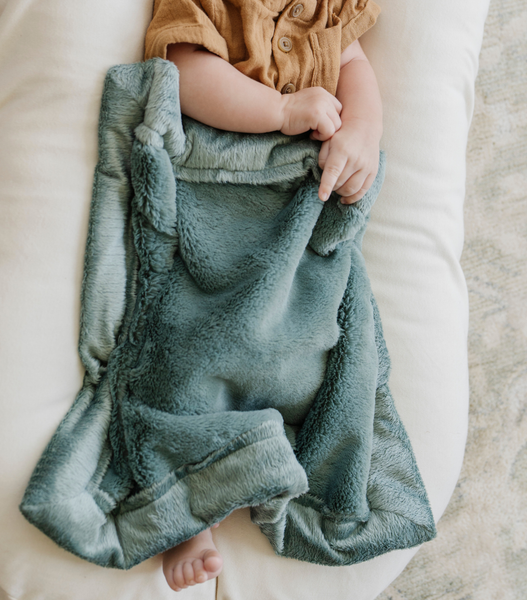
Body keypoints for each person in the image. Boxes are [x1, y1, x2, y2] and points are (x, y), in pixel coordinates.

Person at [143, 0, 383, 590]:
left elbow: (354, 64)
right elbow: (184, 70)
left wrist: (364, 134)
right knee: (188, 349)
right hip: (223, 195)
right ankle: (187, 506)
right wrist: (279, 109)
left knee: (319, 345)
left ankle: (292, 462)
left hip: (302, 209)